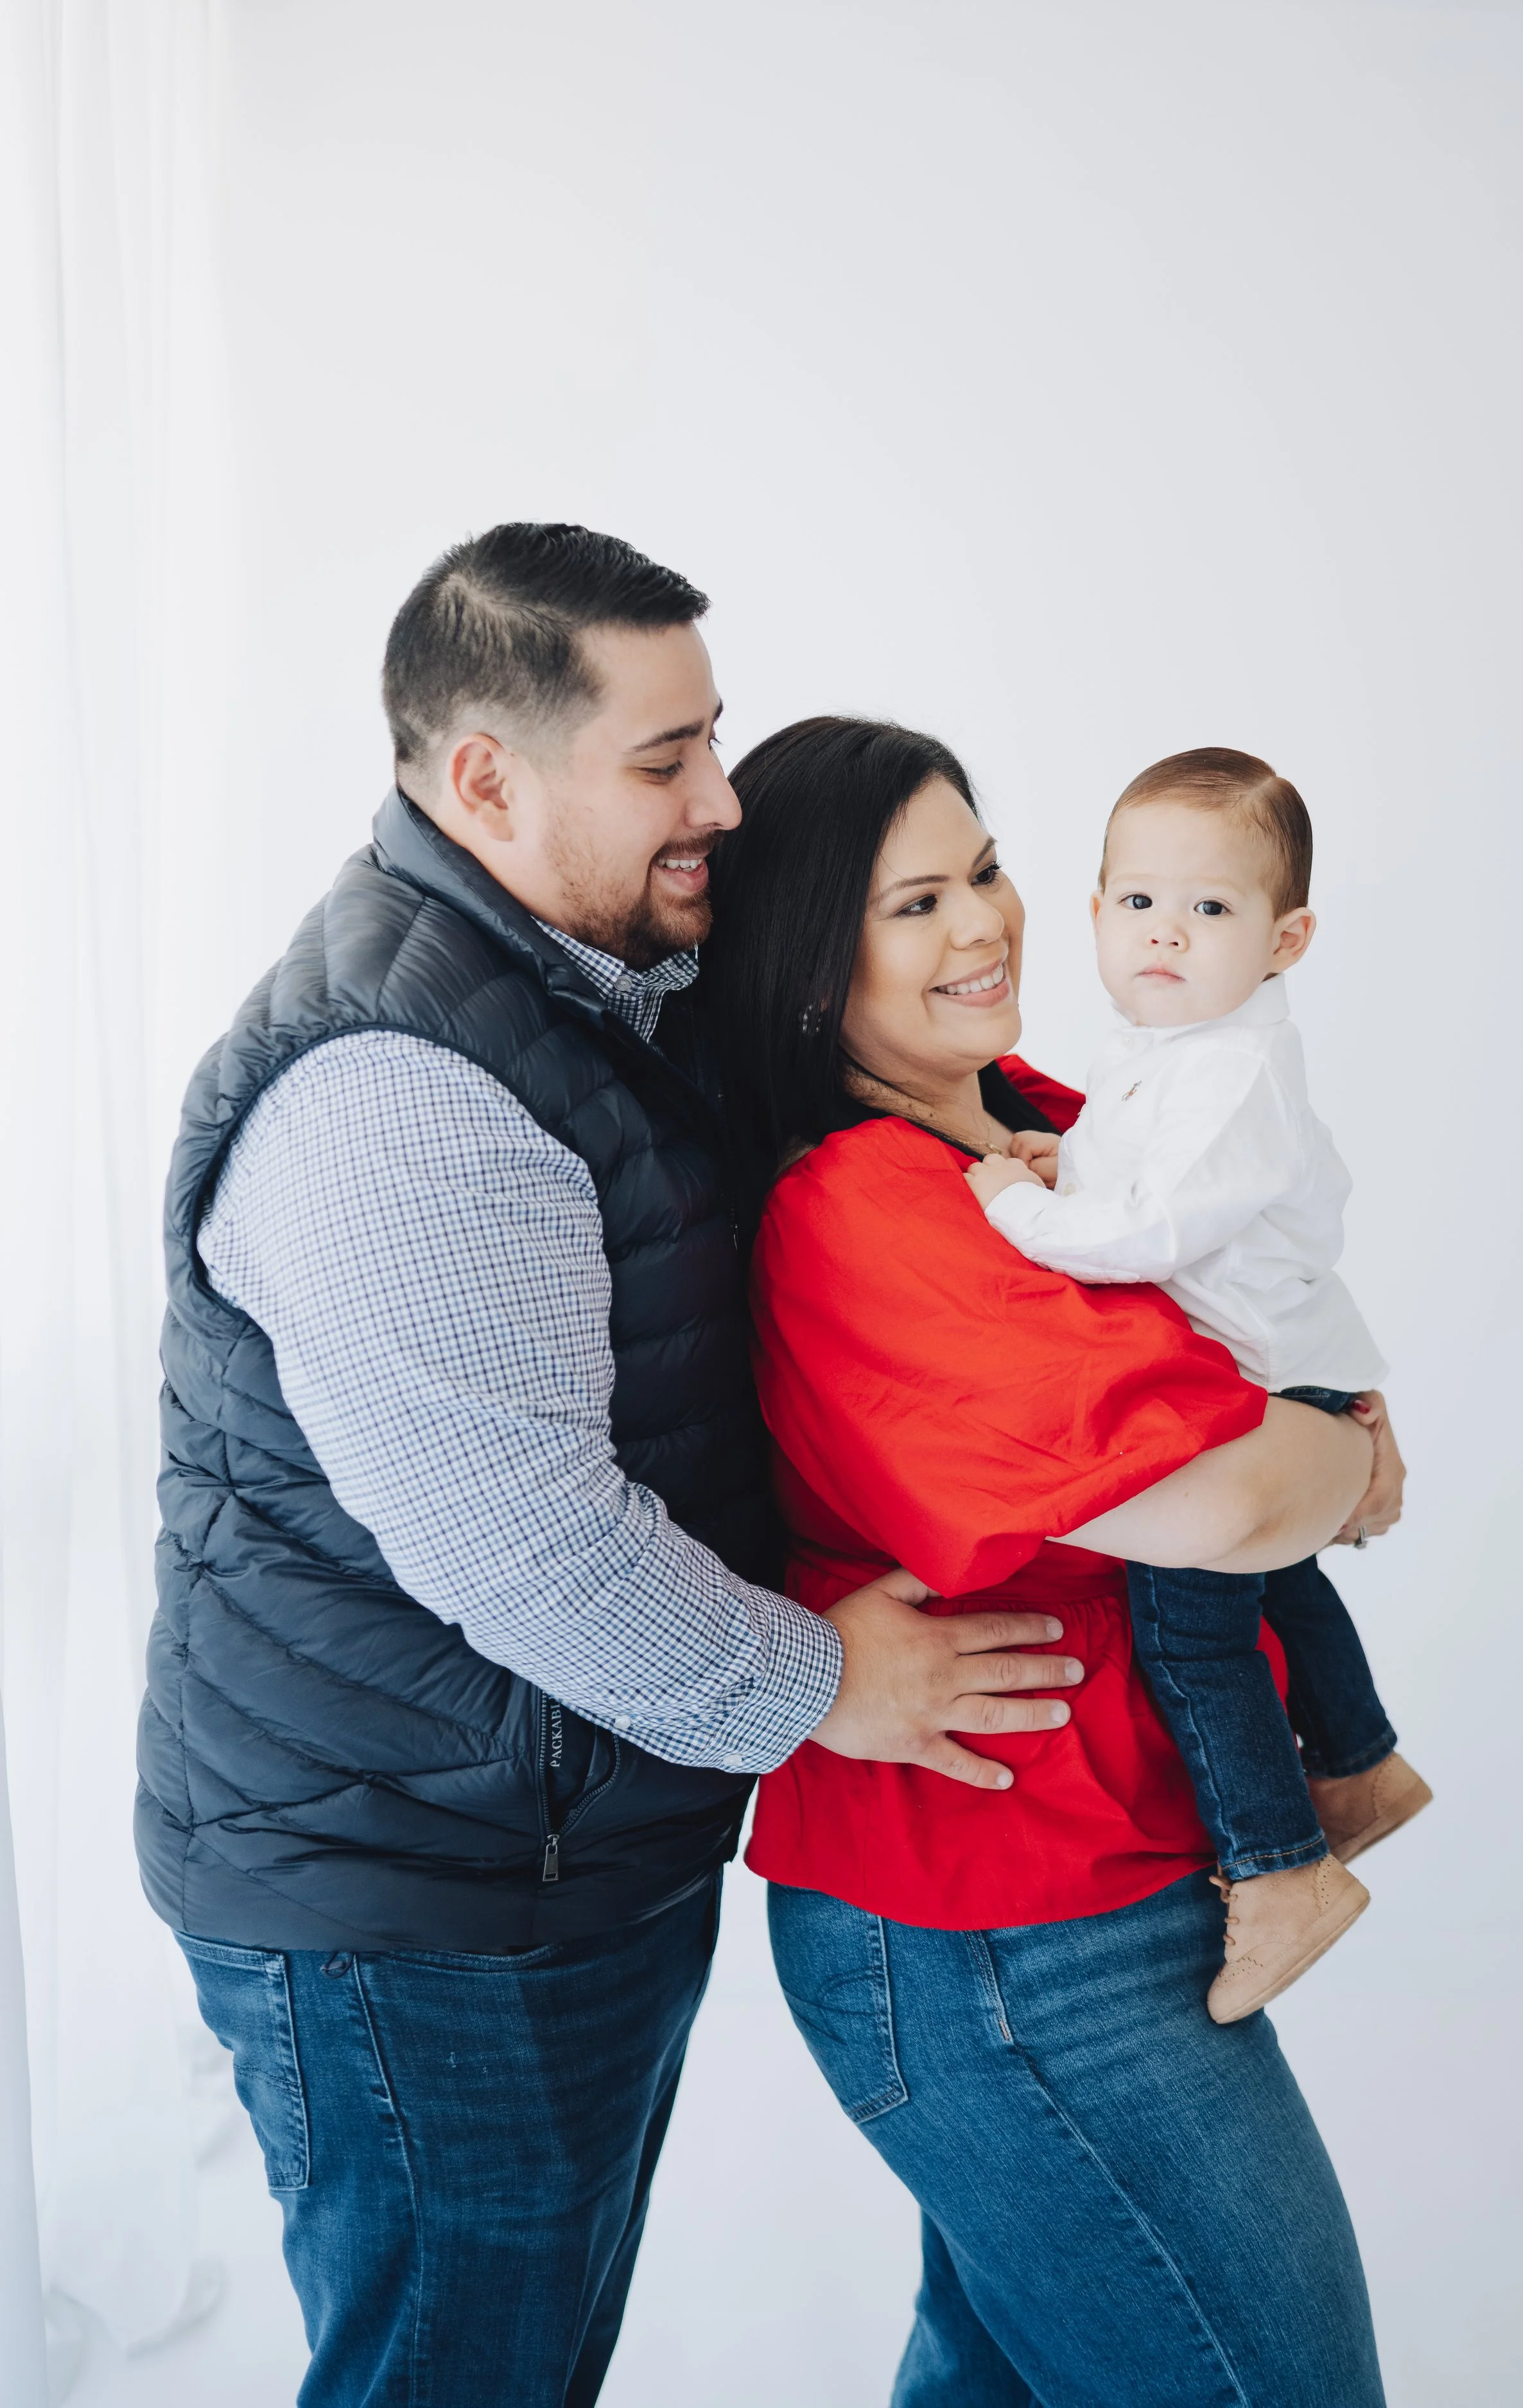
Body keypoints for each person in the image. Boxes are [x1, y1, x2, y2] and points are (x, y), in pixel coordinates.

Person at [134, 527, 1080, 2408]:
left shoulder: (581, 982)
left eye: (710, 738)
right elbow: (528, 1551)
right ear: (481, 775)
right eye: (663, 761)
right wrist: (831, 1683)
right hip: (414, 1899)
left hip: (539, 1856)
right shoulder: (397, 1084)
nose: (720, 801)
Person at [707, 715, 1401, 2407]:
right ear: (809, 966)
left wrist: (1304, 1433)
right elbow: (1223, 1500)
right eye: (913, 901)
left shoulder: (1029, 1119)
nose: (984, 925)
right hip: (1003, 1931)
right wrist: (1348, 1450)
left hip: (1094, 1878)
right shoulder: (866, 1207)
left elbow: (1260, 1332)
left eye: (989, 869)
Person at [964, 746, 1431, 2022]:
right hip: (1276, 1379)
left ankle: (1281, 1872)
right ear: (1096, 911)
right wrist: (1063, 1163)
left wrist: (1014, 1207)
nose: (1163, 933)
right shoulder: (1169, 1050)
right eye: (1135, 903)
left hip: (1263, 1394)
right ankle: (1358, 1765)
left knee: (1191, 1635)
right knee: (1279, 1580)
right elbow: (1140, 1183)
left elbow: (1150, 1234)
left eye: (1210, 910)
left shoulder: (1227, 1071)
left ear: (1286, 940)